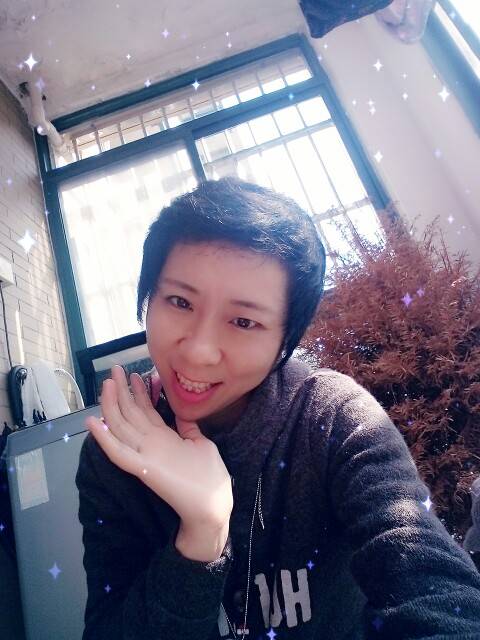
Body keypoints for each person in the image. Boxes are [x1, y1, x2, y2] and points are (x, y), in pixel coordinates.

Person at [75, 176, 480, 640]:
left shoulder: (335, 420)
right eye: (180, 301)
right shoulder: (112, 455)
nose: (199, 351)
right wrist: (202, 534)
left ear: (285, 341)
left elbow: (431, 584)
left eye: (244, 321)